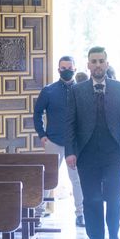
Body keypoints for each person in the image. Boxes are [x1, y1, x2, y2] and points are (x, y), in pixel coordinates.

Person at [65, 46, 120, 239]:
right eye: (94, 61)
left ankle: (114, 234)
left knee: (113, 198)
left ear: (107, 64)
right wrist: (70, 152)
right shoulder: (77, 91)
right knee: (91, 200)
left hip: (113, 155)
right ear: (88, 65)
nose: (98, 65)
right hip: (87, 155)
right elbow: (70, 123)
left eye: (101, 61)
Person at [33, 56, 85, 226]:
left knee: (77, 179)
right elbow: (37, 113)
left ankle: (81, 214)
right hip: (53, 141)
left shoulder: (82, 91)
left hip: (75, 144)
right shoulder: (48, 91)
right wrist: (42, 135)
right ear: (58, 70)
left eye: (69, 67)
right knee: (48, 179)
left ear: (75, 69)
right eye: (63, 68)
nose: (66, 70)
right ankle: (38, 213)